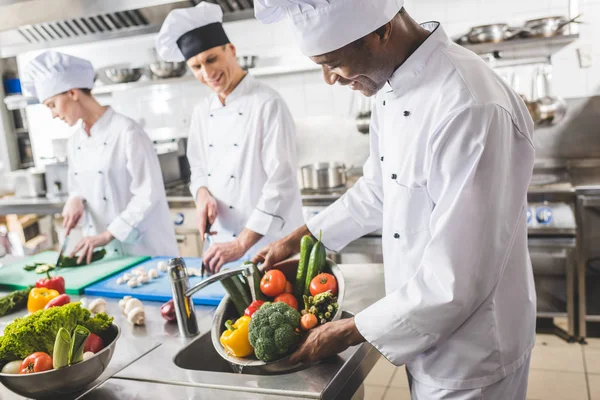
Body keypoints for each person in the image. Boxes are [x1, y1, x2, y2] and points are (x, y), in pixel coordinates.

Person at [253, 1, 536, 398]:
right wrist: (300, 238)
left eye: (333, 62)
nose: (328, 79)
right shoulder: (391, 88)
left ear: (381, 31)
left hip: (475, 354)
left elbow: (455, 280)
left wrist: (350, 331)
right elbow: (379, 190)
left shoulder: (469, 106)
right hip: (424, 335)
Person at [156, 2, 304, 273]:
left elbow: (280, 184)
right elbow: (198, 168)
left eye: (211, 59)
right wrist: (201, 194)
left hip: (268, 245)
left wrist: (242, 243)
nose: (207, 73)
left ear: (231, 50)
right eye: (196, 66)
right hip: (222, 245)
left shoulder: (267, 103)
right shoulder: (202, 112)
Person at [24, 51, 178, 263]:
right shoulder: (75, 141)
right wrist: (75, 199)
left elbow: (148, 194)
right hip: (104, 256)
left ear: (72, 93)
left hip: (143, 251)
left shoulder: (127, 132)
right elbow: (78, 185)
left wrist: (108, 234)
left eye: (52, 104)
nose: (53, 114)